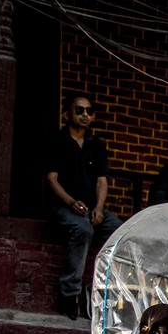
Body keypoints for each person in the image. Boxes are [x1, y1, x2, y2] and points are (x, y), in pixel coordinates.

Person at [45, 91, 122, 320]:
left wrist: (99, 207)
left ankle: (104, 291)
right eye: (79, 110)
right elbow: (51, 179)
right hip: (62, 207)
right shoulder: (57, 141)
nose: (85, 115)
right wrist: (70, 202)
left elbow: (102, 181)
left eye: (89, 111)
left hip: (91, 208)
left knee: (120, 230)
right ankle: (70, 295)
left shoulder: (96, 145)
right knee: (83, 230)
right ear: (66, 114)